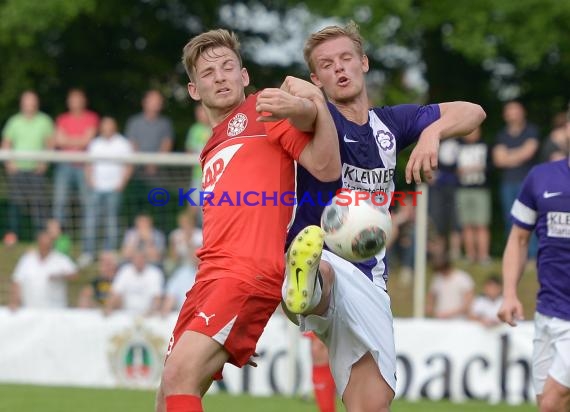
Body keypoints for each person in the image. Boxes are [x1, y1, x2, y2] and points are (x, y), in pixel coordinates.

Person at [281, 22, 485, 411]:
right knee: (320, 271)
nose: (339, 69)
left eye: (345, 59)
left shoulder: (390, 124)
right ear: (316, 78)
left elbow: (474, 111)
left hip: (370, 275)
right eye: (326, 64)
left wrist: (433, 132)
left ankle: (305, 291)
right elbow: (299, 102)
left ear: (364, 63)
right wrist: (302, 96)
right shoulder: (318, 118)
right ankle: (303, 287)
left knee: (372, 404)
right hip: (321, 251)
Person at [156, 29, 340, 412]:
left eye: (228, 67)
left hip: (244, 275)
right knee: (166, 394)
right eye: (208, 73)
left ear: (244, 76)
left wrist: (315, 104)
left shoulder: (264, 111)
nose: (220, 76)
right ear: (194, 90)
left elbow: (325, 166)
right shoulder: (210, 146)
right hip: (209, 279)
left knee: (179, 377)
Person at [498, 113, 570, 412]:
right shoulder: (540, 177)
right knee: (548, 404)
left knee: (551, 403)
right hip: (548, 312)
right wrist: (510, 293)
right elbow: (518, 239)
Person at [1, 91, 54, 243]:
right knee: (15, 204)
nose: (29, 104)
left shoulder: (44, 120)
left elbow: (50, 143)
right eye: (26, 101)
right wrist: (9, 163)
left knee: (39, 203)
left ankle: (41, 236)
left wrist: (44, 163)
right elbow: (6, 143)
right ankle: (12, 236)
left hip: (36, 170)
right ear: (22, 103)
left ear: (36, 103)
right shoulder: (14, 121)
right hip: (17, 169)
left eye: (32, 101)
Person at [83, 116, 133, 265]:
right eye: (105, 126)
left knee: (112, 221)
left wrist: (122, 183)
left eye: (110, 126)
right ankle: (88, 253)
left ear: (114, 127)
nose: (107, 129)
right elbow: (88, 164)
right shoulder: (95, 143)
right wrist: (90, 180)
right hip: (96, 188)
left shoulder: (123, 143)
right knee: (91, 220)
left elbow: (129, 164)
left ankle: (109, 252)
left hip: (114, 188)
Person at [492, 100, 539, 256]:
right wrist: (519, 154)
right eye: (509, 110)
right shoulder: (501, 135)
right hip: (507, 183)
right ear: (505, 115)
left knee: (529, 219)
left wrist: (508, 156)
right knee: (510, 220)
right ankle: (513, 254)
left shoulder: (531, 131)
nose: (513, 113)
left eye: (516, 110)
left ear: (522, 112)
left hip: (527, 183)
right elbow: (498, 160)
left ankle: (532, 255)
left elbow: (529, 152)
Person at [52, 88, 99, 239]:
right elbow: (58, 141)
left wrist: (69, 141)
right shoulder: (62, 119)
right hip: (64, 165)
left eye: (78, 99)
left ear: (84, 101)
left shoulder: (92, 117)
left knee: (88, 204)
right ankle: (60, 241)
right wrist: (79, 141)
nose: (75, 102)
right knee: (59, 203)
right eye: (73, 99)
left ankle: (87, 243)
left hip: (84, 166)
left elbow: (88, 140)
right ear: (68, 102)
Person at [124, 89, 174, 223]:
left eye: (158, 101)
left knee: (160, 209)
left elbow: (167, 144)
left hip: (158, 175)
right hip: (137, 174)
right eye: (152, 100)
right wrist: (144, 162)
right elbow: (132, 145)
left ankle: (161, 238)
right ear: (144, 102)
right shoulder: (134, 122)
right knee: (136, 208)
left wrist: (154, 163)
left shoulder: (165, 123)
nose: (155, 104)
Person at [9, 231, 77, 310]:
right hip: (29, 309)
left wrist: (60, 276)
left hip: (55, 310)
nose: (45, 247)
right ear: (38, 243)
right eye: (42, 244)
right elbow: (17, 280)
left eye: (47, 244)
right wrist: (15, 301)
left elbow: (74, 274)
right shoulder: (27, 258)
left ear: (52, 244)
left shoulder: (61, 258)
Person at [456, 126, 491, 264]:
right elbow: (450, 166)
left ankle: (483, 256)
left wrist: (477, 168)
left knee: (482, 224)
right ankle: (470, 255)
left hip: (481, 189)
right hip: (463, 189)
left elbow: (491, 165)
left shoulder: (485, 146)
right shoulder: (458, 147)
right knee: (466, 224)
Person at [103, 249, 164, 316]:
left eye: (141, 258)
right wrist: (109, 307)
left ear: (146, 259)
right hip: (125, 313)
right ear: (132, 259)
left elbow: (157, 298)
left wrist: (150, 313)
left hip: (148, 314)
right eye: (136, 258)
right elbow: (115, 292)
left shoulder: (155, 273)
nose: (139, 261)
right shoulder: (124, 271)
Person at [426, 253, 475, 319]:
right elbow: (432, 294)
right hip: (440, 321)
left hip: (458, 322)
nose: (440, 273)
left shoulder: (463, 278)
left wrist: (448, 313)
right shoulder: (437, 278)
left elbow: (468, 305)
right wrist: (430, 305)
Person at [185, 105, 212, 227]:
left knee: (210, 208)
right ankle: (188, 237)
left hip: (213, 177)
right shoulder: (194, 130)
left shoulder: (216, 127)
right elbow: (189, 150)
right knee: (193, 206)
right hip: (198, 176)